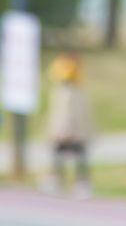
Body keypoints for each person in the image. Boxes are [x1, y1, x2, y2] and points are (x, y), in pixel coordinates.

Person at [45, 53, 94, 198]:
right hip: (71, 131)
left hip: (71, 131)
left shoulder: (69, 91)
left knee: (71, 157)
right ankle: (60, 181)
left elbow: (67, 113)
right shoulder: (70, 90)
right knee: (63, 157)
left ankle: (75, 183)